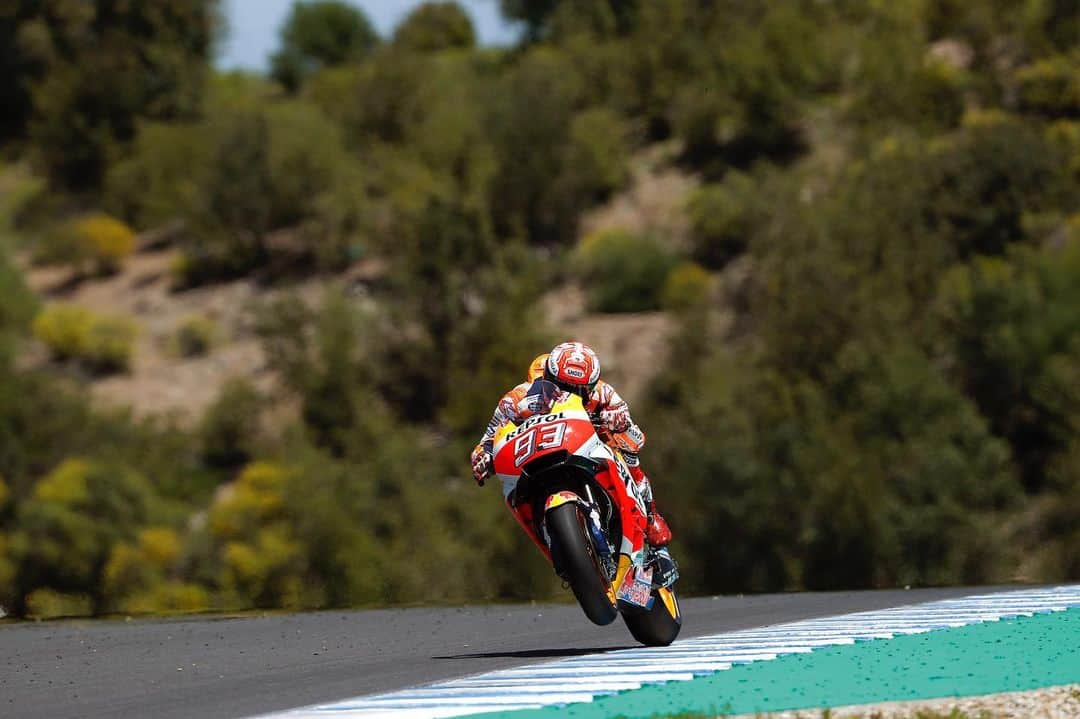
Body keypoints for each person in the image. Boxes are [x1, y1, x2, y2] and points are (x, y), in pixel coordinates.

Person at [470, 341, 672, 547]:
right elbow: (490, 436)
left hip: (588, 446)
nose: (568, 393)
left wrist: (618, 420)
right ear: (547, 377)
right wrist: (483, 455)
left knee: (629, 451)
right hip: (538, 453)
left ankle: (650, 514)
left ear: (591, 386)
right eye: (561, 386)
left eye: (578, 390)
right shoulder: (517, 398)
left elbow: (633, 432)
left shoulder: (604, 393)